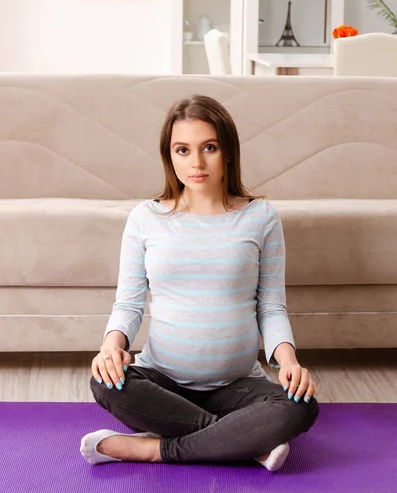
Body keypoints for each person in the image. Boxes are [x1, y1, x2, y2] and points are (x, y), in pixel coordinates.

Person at [80, 94, 319, 471]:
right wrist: (112, 347)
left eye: (209, 147)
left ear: (227, 151)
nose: (196, 162)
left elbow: (270, 305)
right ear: (169, 155)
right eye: (182, 149)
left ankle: (154, 448)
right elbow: (128, 304)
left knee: (299, 405)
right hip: (162, 380)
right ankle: (240, 441)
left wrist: (288, 361)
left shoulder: (261, 217)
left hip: (238, 386)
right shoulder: (146, 217)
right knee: (104, 382)